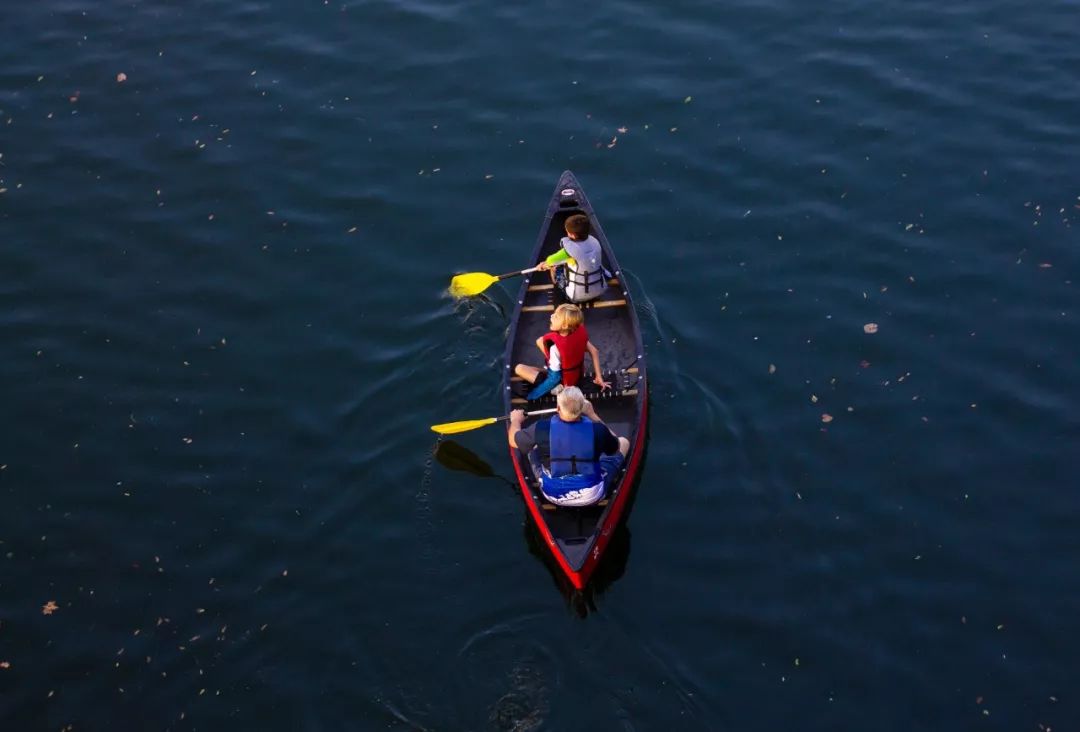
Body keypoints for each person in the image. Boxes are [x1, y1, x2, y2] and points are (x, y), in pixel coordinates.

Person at [508, 387, 630, 507]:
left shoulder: (541, 428)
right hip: (592, 496)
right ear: (582, 408)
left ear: (558, 408)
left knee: (532, 447)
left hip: (553, 496)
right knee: (624, 442)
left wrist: (516, 421)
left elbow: (513, 442)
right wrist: (592, 414)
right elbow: (615, 447)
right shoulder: (598, 429)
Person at [514, 303, 611, 401]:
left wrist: (532, 396)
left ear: (564, 325)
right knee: (540, 341)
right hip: (576, 374)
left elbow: (554, 378)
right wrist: (599, 377)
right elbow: (594, 351)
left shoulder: (555, 348)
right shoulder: (578, 330)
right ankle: (550, 372)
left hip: (562, 382)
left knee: (519, 368)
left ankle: (556, 390)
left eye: (555, 317)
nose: (551, 316)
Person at [537, 213, 608, 303]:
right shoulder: (595, 241)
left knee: (555, 268)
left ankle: (557, 284)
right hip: (600, 290)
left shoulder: (567, 251)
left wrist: (542, 266)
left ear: (573, 235)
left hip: (576, 297)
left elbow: (550, 261)